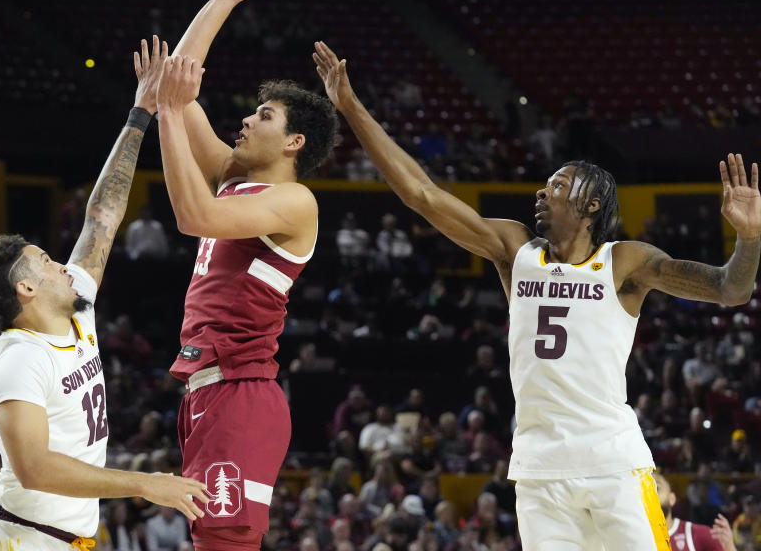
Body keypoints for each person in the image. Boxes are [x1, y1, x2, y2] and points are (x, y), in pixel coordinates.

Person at [314, 40, 761, 550]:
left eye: (556, 185)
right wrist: (349, 106)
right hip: (539, 469)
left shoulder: (624, 263)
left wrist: (749, 238)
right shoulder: (514, 248)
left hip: (614, 463)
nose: (540, 194)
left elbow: (731, 289)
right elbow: (423, 195)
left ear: (590, 203)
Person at [0, 40, 208, 550]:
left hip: (67, 539)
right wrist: (145, 484)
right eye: (47, 263)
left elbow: (102, 217)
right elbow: (33, 468)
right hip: (20, 541)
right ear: (25, 288)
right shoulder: (17, 358)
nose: (61, 263)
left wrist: (142, 110)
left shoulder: (78, 307)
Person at [149, 0, 337, 551]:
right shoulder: (237, 177)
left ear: (293, 142)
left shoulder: (293, 201)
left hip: (242, 391)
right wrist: (220, 0)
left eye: (264, 116)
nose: (247, 119)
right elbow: (175, 88)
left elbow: (194, 217)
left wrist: (169, 113)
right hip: (206, 390)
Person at [654, 474, 734, 551]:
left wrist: (730, 549)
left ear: (672, 499)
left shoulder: (699, 535)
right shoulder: (642, 539)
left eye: (656, 487)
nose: (648, 492)